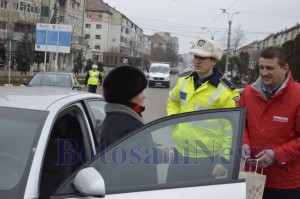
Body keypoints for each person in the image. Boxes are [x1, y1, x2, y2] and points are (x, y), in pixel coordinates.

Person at [166, 38, 240, 181]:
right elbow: (172, 101)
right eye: (196, 56)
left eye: (203, 57)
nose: (197, 61)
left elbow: (231, 129)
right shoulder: (184, 80)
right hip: (179, 152)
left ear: (214, 61)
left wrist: (225, 160)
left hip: (206, 159)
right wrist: (173, 117)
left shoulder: (226, 91)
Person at [239, 46, 300, 199]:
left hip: (284, 183)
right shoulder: (248, 92)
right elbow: (241, 125)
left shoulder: (297, 96)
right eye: (261, 67)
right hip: (251, 176)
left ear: (285, 68)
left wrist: (277, 154)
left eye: (270, 68)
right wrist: (245, 143)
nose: (264, 73)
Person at [99, 65, 147, 147]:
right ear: (128, 94)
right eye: (141, 91)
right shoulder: (124, 127)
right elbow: (138, 156)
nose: (144, 96)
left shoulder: (119, 118)